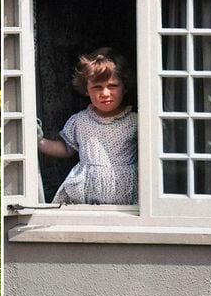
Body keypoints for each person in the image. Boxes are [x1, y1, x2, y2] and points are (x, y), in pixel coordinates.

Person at [38, 47, 137, 205]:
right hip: (86, 198)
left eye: (112, 86)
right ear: (86, 90)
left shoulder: (134, 121)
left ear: (124, 87)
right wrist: (39, 142)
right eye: (97, 87)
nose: (105, 93)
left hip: (128, 199)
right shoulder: (80, 120)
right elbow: (67, 149)